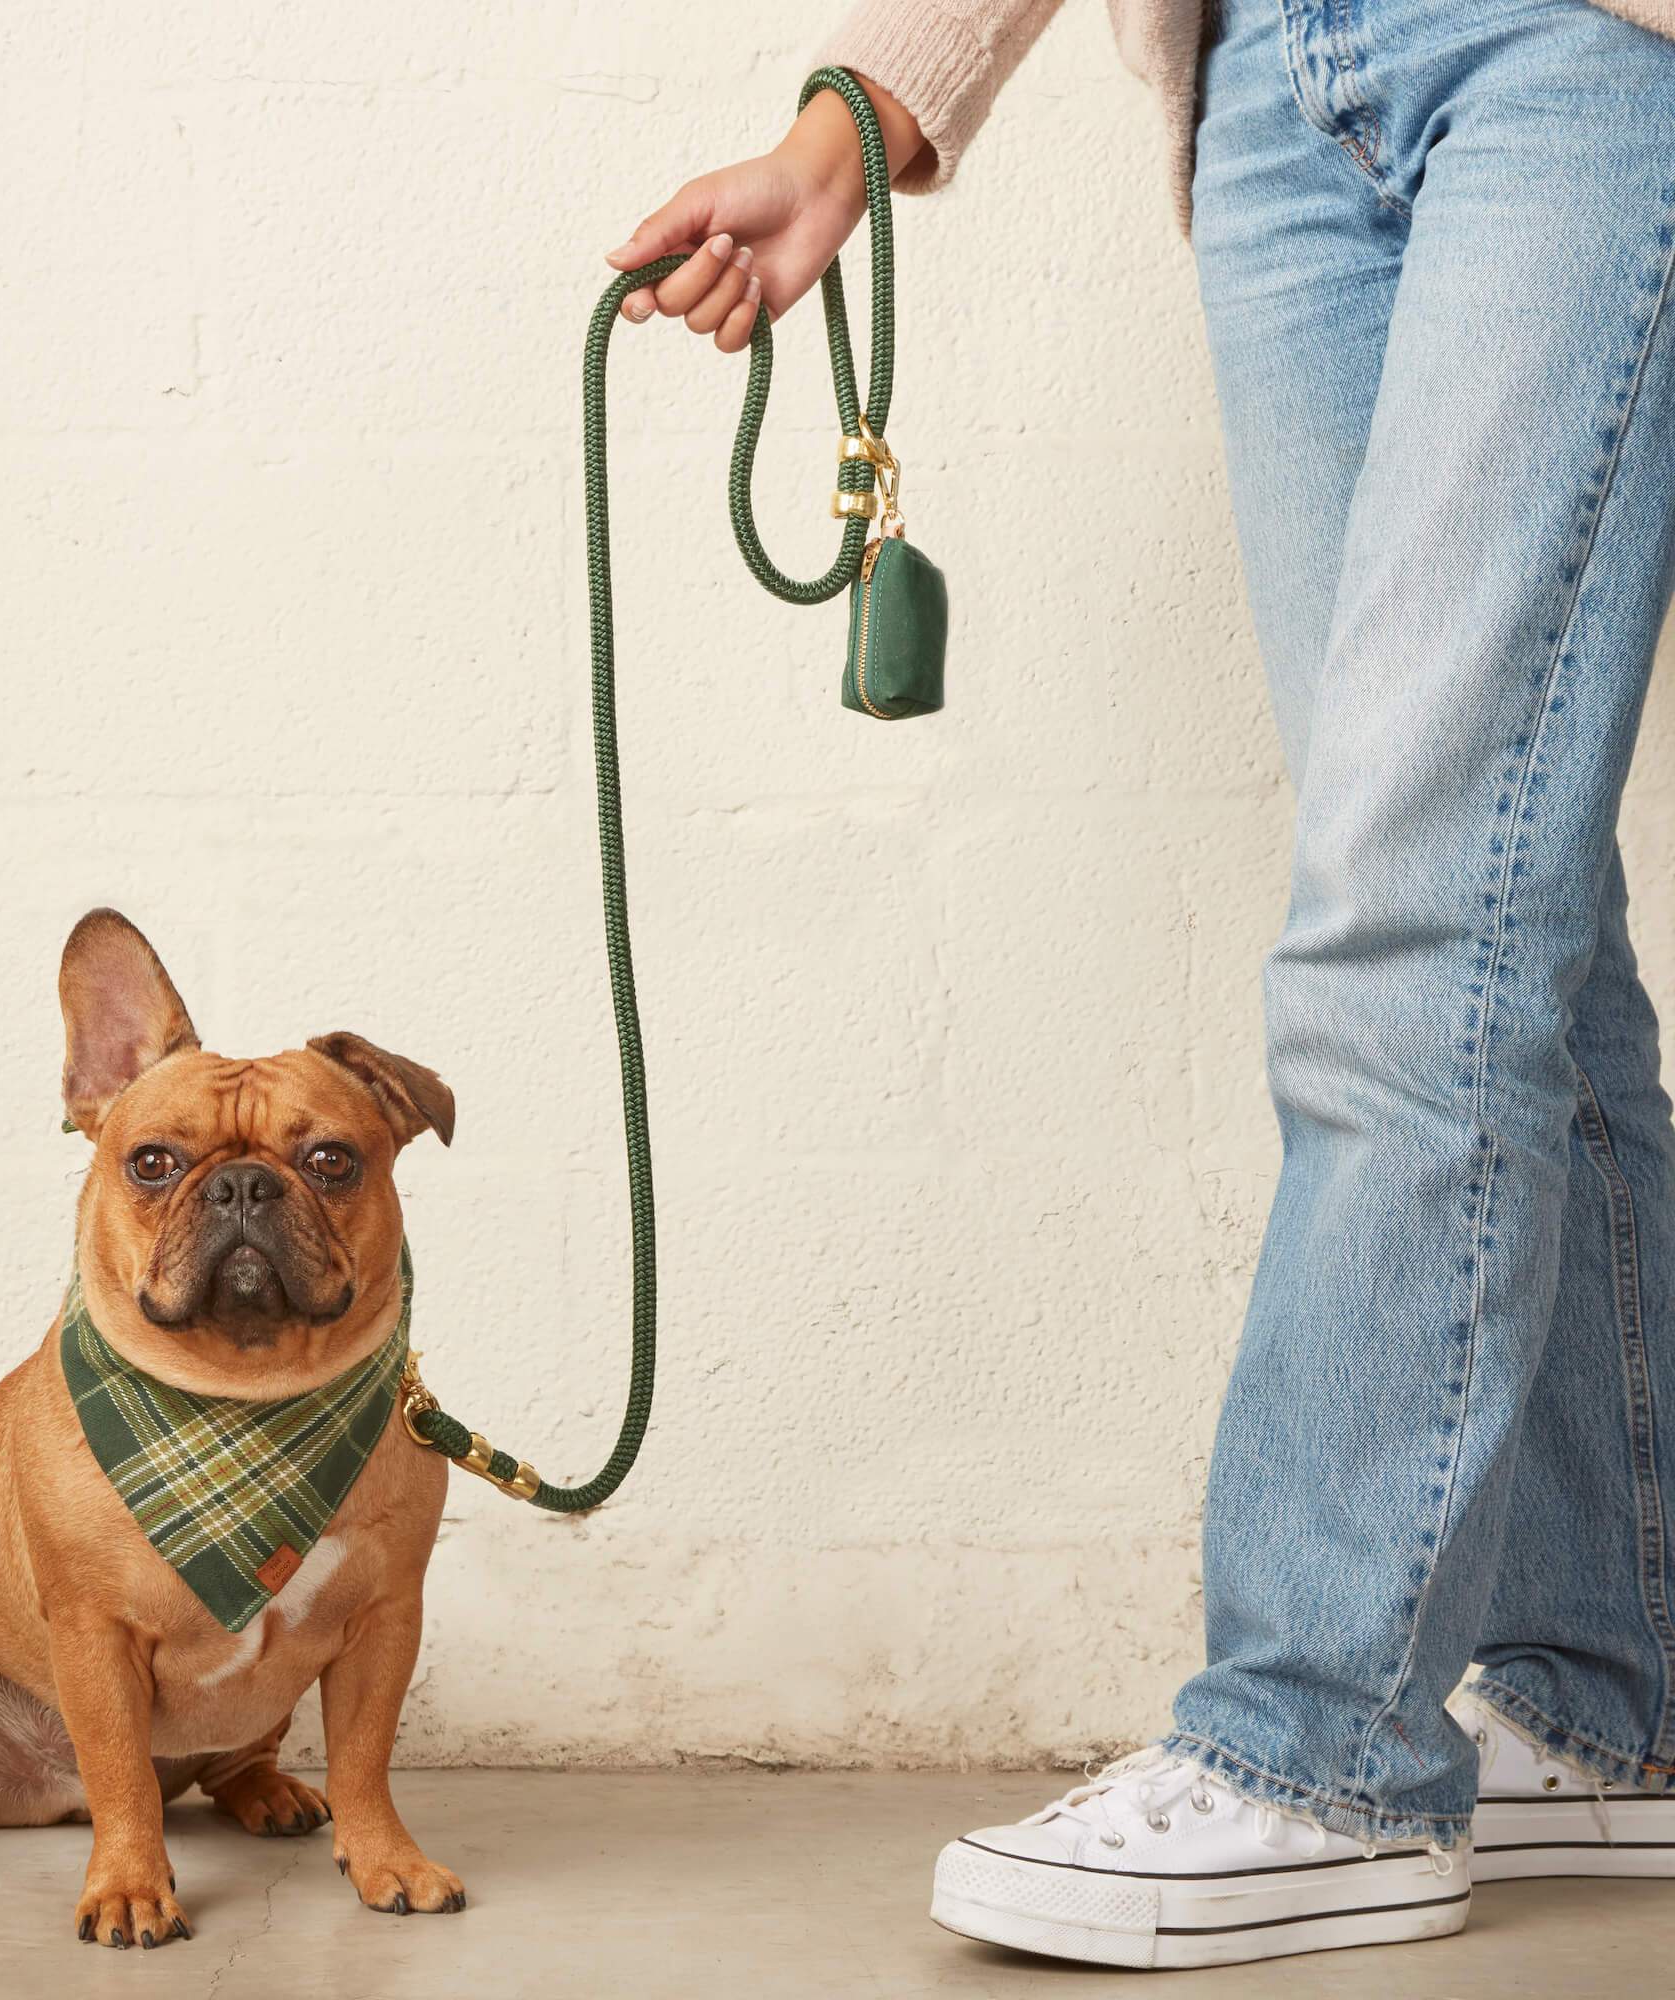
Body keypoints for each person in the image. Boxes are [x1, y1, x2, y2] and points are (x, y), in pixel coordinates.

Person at [608, 0, 1675, 1972]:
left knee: (1415, 916)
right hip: (1272, 92)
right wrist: (859, 121)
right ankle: (1625, 1706)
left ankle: (1322, 1750)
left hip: (1581, 56)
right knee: (1505, 908)